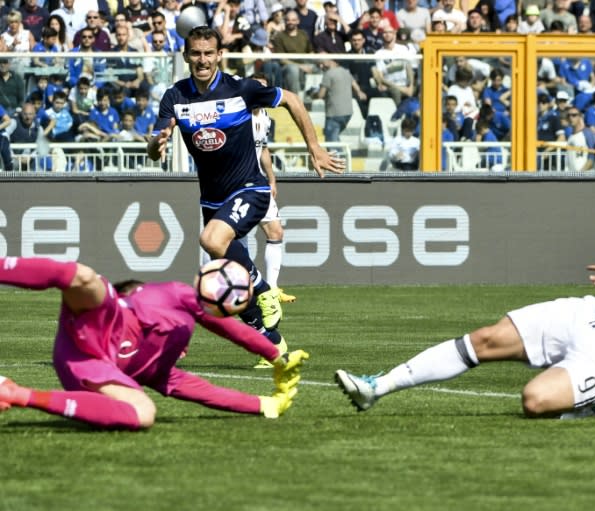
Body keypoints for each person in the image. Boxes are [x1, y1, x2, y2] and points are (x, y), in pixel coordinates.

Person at [336, 177, 595, 423]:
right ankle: (377, 387)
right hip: (588, 313)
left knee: (534, 401)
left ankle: (590, 401)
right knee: (484, 338)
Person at [147, 27, 344, 355]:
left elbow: (292, 100)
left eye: (209, 53)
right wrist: (157, 143)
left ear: (220, 55)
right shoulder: (175, 96)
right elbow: (154, 149)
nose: (202, 60)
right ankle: (272, 343)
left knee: (211, 240)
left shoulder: (241, 89)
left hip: (250, 188)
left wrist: (315, 148)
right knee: (228, 277)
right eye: (195, 53)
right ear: (186, 57)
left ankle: (266, 290)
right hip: (211, 198)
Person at [0, 256, 309, 429]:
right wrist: (273, 353)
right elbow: (227, 327)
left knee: (144, 413)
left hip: (87, 369)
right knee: (85, 277)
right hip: (98, 325)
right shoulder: (171, 296)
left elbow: (210, 393)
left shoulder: (160, 372)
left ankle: (17, 394)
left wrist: (266, 404)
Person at [251, 74, 296, 307]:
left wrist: (272, 179)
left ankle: (272, 288)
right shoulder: (239, 115)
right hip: (238, 184)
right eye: (256, 87)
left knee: (276, 232)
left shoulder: (266, 117)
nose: (260, 92)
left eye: (264, 89)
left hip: (259, 182)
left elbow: (263, 149)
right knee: (229, 240)